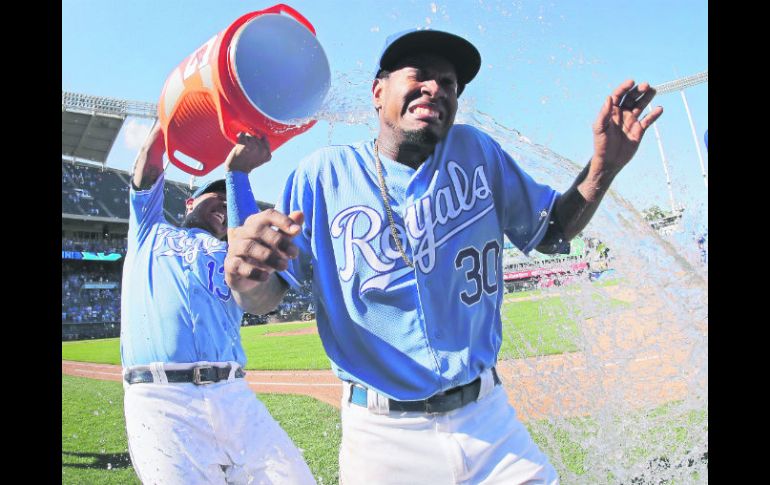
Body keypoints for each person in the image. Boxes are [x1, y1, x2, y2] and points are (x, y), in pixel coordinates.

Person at [224, 28, 663, 484]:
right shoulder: (323, 174)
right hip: (383, 437)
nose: (435, 88)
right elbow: (268, 297)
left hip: (488, 420)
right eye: (419, 75)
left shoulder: (476, 152)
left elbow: (552, 231)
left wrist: (603, 166)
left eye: (449, 84)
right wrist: (247, 280)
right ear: (378, 92)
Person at [119, 125, 316, 485]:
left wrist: (238, 174)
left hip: (232, 393)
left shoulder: (233, 256)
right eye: (216, 199)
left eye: (230, 203)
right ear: (190, 202)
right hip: (162, 399)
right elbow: (148, 163)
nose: (225, 208)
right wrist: (176, 115)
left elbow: (250, 257)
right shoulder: (150, 230)